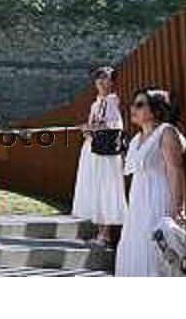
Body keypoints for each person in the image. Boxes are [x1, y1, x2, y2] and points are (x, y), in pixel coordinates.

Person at [115, 88, 186, 276]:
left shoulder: (167, 132)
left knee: (156, 254)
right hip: (138, 204)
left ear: (155, 109)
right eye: (133, 104)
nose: (133, 108)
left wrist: (178, 208)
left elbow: (175, 170)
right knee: (136, 249)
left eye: (139, 105)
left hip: (158, 199)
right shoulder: (136, 139)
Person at [72, 66, 127, 246]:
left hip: (106, 153)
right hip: (93, 149)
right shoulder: (96, 104)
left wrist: (91, 128)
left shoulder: (112, 101)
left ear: (112, 82)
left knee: (105, 188)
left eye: (105, 78)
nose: (101, 82)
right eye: (99, 78)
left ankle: (105, 234)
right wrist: (87, 131)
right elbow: (92, 128)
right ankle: (100, 233)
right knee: (97, 188)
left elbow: (115, 125)